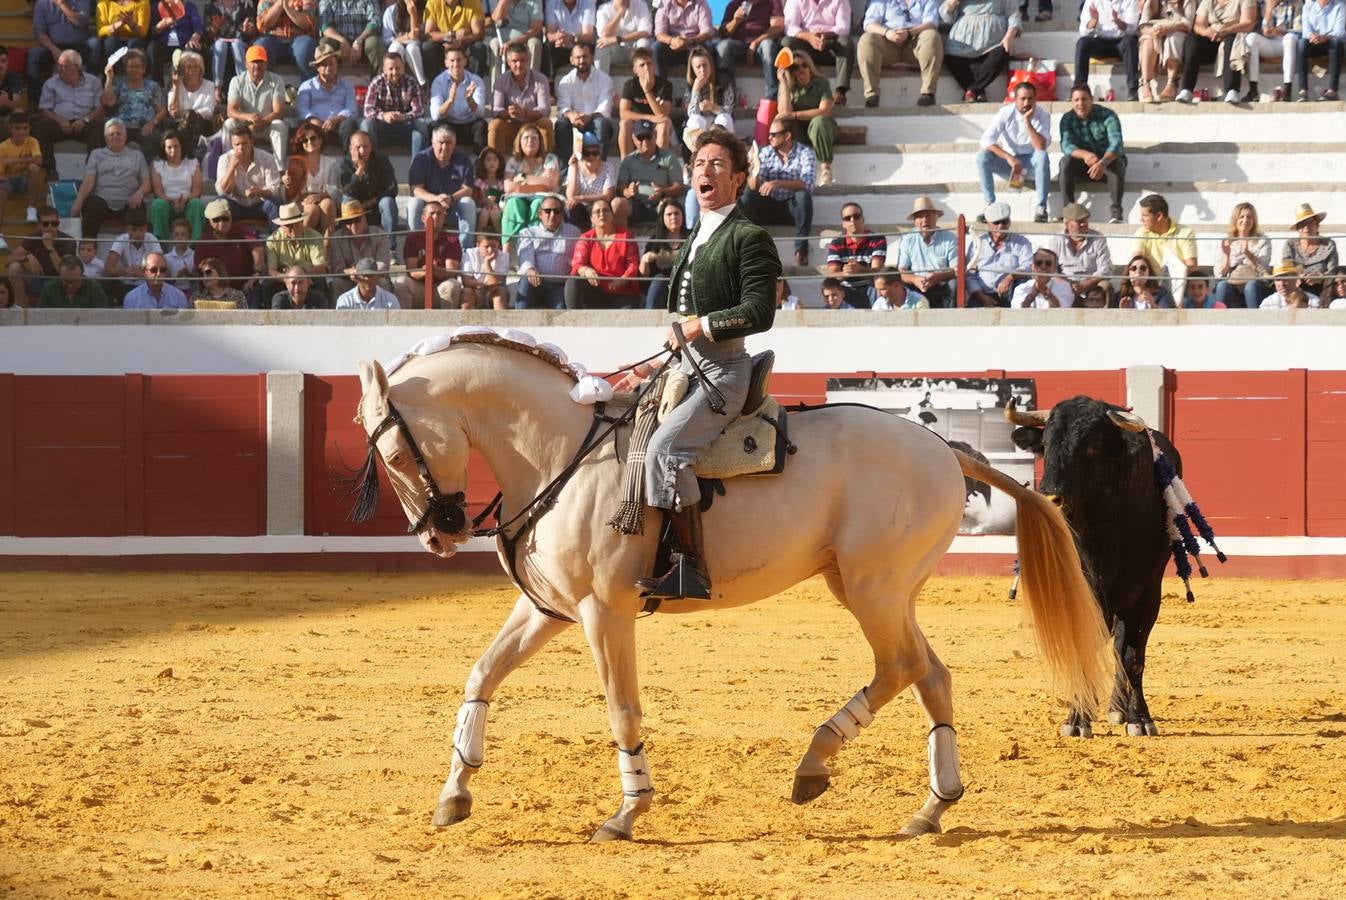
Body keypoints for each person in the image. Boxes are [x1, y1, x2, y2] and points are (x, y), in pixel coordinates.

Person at [615, 127, 782, 600]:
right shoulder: (700, 233)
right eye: (698, 164)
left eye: (716, 164)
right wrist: (650, 368)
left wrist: (697, 326)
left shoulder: (748, 236)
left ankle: (691, 569)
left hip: (723, 374)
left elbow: (759, 312)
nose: (703, 171)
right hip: (684, 369)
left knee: (667, 451)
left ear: (739, 179)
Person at [976, 80, 1051, 223]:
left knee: (1042, 156)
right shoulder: (1006, 112)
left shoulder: (1043, 115)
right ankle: (989, 205)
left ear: (1035, 99)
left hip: (1030, 164)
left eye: (1030, 99)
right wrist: (1009, 158)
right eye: (1022, 99)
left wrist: (1027, 122)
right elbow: (986, 140)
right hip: (1011, 166)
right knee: (982, 157)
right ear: (1015, 99)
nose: (1026, 103)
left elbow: (1041, 146)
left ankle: (1041, 207)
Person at [71, 117, 152, 240]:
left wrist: (139, 194)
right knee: (91, 205)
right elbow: (89, 181)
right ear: (105, 138)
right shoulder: (96, 154)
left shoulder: (137, 155)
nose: (115, 137)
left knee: (139, 209)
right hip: (102, 202)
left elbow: (146, 183)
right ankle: (88, 249)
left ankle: (141, 254)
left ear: (125, 137)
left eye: (119, 133)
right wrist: (78, 203)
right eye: (111, 134)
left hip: (129, 202)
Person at [1058, 84, 1128, 224]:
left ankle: (1116, 213)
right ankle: (1068, 211)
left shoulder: (1107, 115)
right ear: (1072, 102)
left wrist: (1102, 163)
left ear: (1091, 99)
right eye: (1076, 100)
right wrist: (1085, 155)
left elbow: (1117, 144)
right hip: (1083, 165)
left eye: (1084, 99)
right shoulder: (1067, 118)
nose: (1080, 104)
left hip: (1106, 164)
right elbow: (1066, 145)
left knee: (1118, 163)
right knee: (1065, 162)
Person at [34, 50, 108, 175]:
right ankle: (49, 168)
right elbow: (44, 109)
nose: (60, 69)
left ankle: (93, 169)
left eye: (65, 66)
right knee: (40, 127)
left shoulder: (93, 82)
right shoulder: (51, 83)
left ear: (77, 67)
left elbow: (100, 109)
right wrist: (60, 120)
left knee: (99, 126)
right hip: (60, 123)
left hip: (85, 123)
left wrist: (85, 120)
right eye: (59, 65)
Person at [858, 0, 944, 107]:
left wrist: (909, 32)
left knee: (932, 35)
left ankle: (928, 93)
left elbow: (931, 23)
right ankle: (871, 95)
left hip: (915, 43)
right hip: (888, 43)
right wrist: (887, 32)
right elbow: (869, 23)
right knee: (866, 39)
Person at [1174, 0, 1258, 103]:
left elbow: (1249, 23)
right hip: (1213, 38)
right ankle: (1186, 89)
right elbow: (1198, 24)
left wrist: (1227, 30)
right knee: (1193, 40)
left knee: (1233, 39)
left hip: (1233, 35)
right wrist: (1207, 32)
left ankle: (1232, 90)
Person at [776, 49, 839, 186]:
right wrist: (784, 84)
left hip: (823, 128)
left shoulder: (821, 83)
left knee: (819, 122)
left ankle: (826, 169)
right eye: (795, 67)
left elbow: (825, 111)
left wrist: (796, 115)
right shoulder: (790, 86)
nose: (801, 69)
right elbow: (784, 114)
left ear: (810, 67)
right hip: (800, 130)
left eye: (804, 65)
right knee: (785, 125)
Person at [941, 0, 1021, 102]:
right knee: (950, 57)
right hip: (963, 43)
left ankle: (972, 90)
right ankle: (978, 91)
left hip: (993, 42)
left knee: (1002, 52)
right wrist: (954, 2)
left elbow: (1014, 15)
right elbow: (946, 17)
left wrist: (1009, 37)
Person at [565, 198, 640, 307]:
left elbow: (633, 265)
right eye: (597, 211)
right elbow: (577, 264)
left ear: (612, 215)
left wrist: (622, 280)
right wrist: (586, 270)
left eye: (606, 210)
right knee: (572, 281)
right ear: (591, 218)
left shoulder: (626, 236)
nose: (602, 214)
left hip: (623, 292)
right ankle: (573, 319)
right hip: (596, 291)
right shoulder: (586, 238)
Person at [410, 124, 478, 243]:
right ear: (432, 142)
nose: (445, 147)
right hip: (428, 208)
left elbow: (468, 189)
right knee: (414, 203)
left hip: (452, 208)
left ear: (455, 143)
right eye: (441, 142)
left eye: (449, 143)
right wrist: (437, 198)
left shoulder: (463, 159)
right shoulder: (421, 158)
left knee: (468, 203)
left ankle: (466, 251)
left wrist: (451, 198)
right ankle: (416, 247)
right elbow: (415, 190)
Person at [614, 119, 687, 228]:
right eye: (640, 137)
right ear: (634, 139)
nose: (645, 141)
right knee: (617, 203)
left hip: (661, 203)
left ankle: (670, 243)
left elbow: (679, 187)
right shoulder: (628, 160)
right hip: (636, 205)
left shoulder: (669, 157)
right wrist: (628, 191)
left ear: (655, 135)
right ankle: (623, 243)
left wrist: (664, 192)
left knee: (669, 206)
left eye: (648, 136)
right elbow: (620, 188)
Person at [224, 44, 288, 165]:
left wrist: (263, 121)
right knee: (229, 124)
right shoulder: (237, 81)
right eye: (253, 62)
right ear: (246, 64)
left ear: (266, 64)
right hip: (244, 128)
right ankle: (229, 164)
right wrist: (249, 118)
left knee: (279, 126)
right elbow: (230, 111)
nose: (257, 65)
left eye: (260, 62)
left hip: (267, 126)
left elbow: (278, 111)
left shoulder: (276, 80)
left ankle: (280, 170)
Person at [782, 0, 854, 104]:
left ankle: (840, 92)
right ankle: (794, 90)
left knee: (846, 43)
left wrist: (825, 35)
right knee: (787, 43)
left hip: (830, 45)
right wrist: (809, 37)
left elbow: (843, 27)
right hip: (806, 46)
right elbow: (790, 27)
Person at [489, 42, 554, 156]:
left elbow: (545, 110)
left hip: (533, 126)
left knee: (546, 123)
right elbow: (496, 110)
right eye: (514, 61)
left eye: (522, 60)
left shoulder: (540, 79)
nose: (519, 65)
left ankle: (547, 164)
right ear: (508, 62)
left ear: (528, 60)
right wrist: (509, 113)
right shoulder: (501, 80)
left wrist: (524, 113)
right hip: (511, 125)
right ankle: (497, 166)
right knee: (495, 125)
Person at [515, 195, 581, 308]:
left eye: (556, 211)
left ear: (562, 214)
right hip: (534, 283)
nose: (552, 215)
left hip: (559, 285)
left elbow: (578, 257)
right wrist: (530, 269)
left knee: (561, 309)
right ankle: (520, 321)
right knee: (526, 278)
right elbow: (525, 256)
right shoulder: (527, 233)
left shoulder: (574, 232)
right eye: (547, 211)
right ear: (540, 214)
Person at [555, 41, 615, 163]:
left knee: (601, 123)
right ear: (571, 60)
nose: (582, 60)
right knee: (561, 124)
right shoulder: (565, 81)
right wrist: (571, 115)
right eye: (578, 57)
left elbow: (605, 109)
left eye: (585, 56)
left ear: (592, 58)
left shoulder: (604, 79)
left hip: (595, 121)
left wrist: (589, 117)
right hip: (574, 122)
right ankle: (566, 171)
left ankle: (600, 168)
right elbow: (563, 108)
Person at [396, 199, 464, 307]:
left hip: (441, 287)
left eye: (439, 214)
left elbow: (452, 271)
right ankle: (404, 322)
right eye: (432, 213)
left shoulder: (452, 239)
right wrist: (427, 271)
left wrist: (435, 270)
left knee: (453, 285)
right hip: (419, 288)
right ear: (423, 218)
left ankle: (449, 323)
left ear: (444, 218)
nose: (436, 217)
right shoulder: (413, 238)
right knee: (401, 283)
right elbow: (411, 271)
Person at [101, 47, 166, 160]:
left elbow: (162, 111)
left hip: (146, 126)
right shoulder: (119, 83)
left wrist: (152, 123)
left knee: (156, 138)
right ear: (125, 68)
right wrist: (109, 79)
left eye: (137, 67)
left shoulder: (153, 86)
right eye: (131, 66)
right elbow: (108, 102)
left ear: (144, 69)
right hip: (123, 127)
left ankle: (145, 171)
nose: (134, 70)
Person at [501, 122, 561, 242]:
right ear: (519, 141)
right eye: (526, 138)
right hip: (518, 198)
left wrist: (524, 178)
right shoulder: (513, 161)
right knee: (513, 204)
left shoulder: (549, 159)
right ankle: (509, 249)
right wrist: (541, 183)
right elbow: (509, 187)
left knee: (538, 204)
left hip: (542, 198)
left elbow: (551, 184)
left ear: (540, 141)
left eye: (534, 138)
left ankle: (536, 245)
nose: (530, 141)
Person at [965, 201, 1033, 307]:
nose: (1001, 226)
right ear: (988, 223)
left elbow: (1028, 266)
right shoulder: (977, 244)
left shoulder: (1022, 242)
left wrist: (1011, 277)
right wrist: (982, 297)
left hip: (1010, 293)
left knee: (1022, 283)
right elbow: (970, 275)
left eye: (1004, 222)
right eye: (996, 223)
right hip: (982, 294)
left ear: (1009, 222)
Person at [1133, 192, 1197, 302]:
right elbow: (1136, 262)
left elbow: (1192, 268)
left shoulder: (1186, 233)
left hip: (1178, 289)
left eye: (1145, 215)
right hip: (1151, 288)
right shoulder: (1141, 232)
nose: (1141, 219)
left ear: (1159, 216)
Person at [6, 208, 77, 308]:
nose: (50, 227)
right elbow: (8, 261)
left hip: (60, 282)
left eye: (54, 223)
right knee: (14, 267)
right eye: (45, 224)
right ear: (39, 225)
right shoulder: (33, 237)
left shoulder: (68, 240)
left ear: (58, 223)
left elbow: (64, 271)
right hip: (38, 279)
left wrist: (50, 248)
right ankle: (22, 309)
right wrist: (27, 257)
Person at [895, 195, 958, 308]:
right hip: (916, 285)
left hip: (941, 285)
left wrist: (938, 277)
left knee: (954, 284)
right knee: (899, 284)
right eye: (919, 217)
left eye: (928, 215)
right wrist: (915, 279)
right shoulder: (907, 239)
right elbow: (902, 270)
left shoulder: (949, 238)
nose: (924, 220)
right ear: (915, 221)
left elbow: (957, 269)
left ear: (936, 218)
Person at [201, 197, 266, 305]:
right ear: (210, 222)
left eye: (225, 218)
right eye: (216, 220)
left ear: (231, 217)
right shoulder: (204, 241)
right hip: (215, 288)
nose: (222, 223)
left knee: (256, 288)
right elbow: (201, 270)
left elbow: (257, 248)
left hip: (244, 287)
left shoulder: (242, 231)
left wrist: (256, 274)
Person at [360, 51, 426, 156]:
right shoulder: (377, 82)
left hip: (405, 125)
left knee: (421, 125)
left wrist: (404, 117)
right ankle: (373, 162)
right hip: (383, 126)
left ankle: (417, 167)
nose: (395, 72)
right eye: (391, 69)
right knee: (366, 124)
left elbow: (419, 110)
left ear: (403, 68)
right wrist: (383, 115)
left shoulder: (412, 83)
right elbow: (368, 110)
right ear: (384, 70)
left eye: (397, 68)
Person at [296, 43, 361, 149]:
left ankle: (349, 161)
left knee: (349, 125)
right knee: (307, 129)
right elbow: (302, 109)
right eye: (324, 64)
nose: (329, 67)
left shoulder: (347, 86)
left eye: (332, 63)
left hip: (340, 127)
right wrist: (312, 119)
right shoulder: (307, 86)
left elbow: (352, 110)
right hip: (316, 128)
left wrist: (337, 119)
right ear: (317, 68)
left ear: (336, 64)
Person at [717, 0, 785, 100]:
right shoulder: (734, 4)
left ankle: (772, 97)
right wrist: (735, 21)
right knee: (723, 46)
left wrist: (756, 42)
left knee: (768, 45)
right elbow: (723, 34)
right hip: (739, 47)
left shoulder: (772, 2)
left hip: (761, 46)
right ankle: (727, 96)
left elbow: (777, 27)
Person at [1046, 202, 1113, 302]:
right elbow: (1051, 269)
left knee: (1105, 286)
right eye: (1079, 221)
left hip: (1092, 285)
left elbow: (1105, 269)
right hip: (1065, 284)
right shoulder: (1056, 240)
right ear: (1066, 223)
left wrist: (1085, 284)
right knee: (1052, 286)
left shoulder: (1098, 238)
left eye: (1086, 220)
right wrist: (1068, 283)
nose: (1084, 224)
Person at [31, 0, 102, 94]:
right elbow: (39, 33)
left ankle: (91, 87)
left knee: (95, 44)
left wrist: (62, 4)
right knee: (35, 54)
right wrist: (53, 49)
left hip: (80, 43)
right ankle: (36, 98)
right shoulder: (41, 3)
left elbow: (81, 22)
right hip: (55, 45)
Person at [339, 129, 399, 239]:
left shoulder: (381, 159)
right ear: (351, 149)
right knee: (346, 201)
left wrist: (370, 203)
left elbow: (392, 189)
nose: (362, 151)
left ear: (371, 147)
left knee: (388, 202)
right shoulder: (345, 164)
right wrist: (360, 169)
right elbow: (347, 192)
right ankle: (352, 244)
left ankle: (391, 249)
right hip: (355, 210)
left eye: (365, 147)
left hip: (376, 207)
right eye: (358, 147)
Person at [1076, 0, 1141, 101]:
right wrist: (1093, 21)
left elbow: (1133, 29)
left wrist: (1118, 21)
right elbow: (1083, 30)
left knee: (1130, 43)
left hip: (1122, 41)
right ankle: (1079, 90)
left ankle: (1133, 91)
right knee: (1082, 43)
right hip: (1101, 42)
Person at [284, 119, 341, 233]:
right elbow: (291, 195)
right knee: (312, 209)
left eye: (313, 138)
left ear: (320, 140)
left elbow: (334, 190)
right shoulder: (296, 162)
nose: (309, 142)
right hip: (301, 201)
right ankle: (302, 246)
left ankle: (327, 245)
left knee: (328, 204)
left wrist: (318, 197)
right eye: (305, 140)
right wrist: (287, 183)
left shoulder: (332, 163)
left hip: (324, 198)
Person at [327, 198, 392, 299]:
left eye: (357, 220)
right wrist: (351, 273)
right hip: (349, 281)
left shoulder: (380, 235)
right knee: (337, 283)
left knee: (383, 283)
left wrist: (365, 276)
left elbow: (383, 267)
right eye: (348, 222)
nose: (353, 226)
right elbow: (337, 268)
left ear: (364, 218)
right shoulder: (337, 238)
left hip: (374, 280)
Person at [264, 200, 327, 302]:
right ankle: (270, 316)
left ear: (302, 222)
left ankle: (324, 313)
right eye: (289, 225)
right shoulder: (273, 240)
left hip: (308, 278)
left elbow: (320, 268)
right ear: (282, 226)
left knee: (320, 280)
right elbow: (272, 271)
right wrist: (289, 278)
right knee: (267, 285)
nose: (294, 228)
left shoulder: (315, 237)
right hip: (284, 280)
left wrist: (300, 275)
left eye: (296, 223)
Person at [825, 202, 886, 309]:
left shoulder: (877, 239)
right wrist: (846, 272)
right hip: (845, 288)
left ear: (863, 219)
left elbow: (877, 270)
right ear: (843, 223)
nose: (852, 220)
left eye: (856, 216)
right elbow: (832, 274)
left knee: (878, 285)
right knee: (835, 291)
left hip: (869, 287)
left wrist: (859, 269)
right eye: (848, 218)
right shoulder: (836, 243)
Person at [215, 125, 281, 221]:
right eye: (237, 145)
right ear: (232, 145)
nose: (241, 148)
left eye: (244, 144)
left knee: (276, 202)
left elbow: (275, 190)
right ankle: (223, 236)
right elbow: (221, 192)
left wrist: (259, 192)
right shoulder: (225, 159)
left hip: (260, 205)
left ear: (252, 142)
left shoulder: (266, 158)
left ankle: (276, 235)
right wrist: (232, 167)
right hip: (236, 205)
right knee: (218, 204)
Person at [618, 45, 674, 156]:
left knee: (664, 123)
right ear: (635, 70)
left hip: (656, 125)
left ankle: (660, 168)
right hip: (637, 124)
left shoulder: (665, 85)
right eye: (642, 65)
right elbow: (623, 113)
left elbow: (663, 115)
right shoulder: (630, 85)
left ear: (654, 65)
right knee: (624, 124)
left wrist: (647, 91)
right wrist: (649, 117)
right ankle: (626, 165)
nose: (646, 68)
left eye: (649, 63)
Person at [429, 46, 488, 151]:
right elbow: (435, 115)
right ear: (446, 63)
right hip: (449, 124)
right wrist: (450, 100)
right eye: (452, 61)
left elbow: (480, 113)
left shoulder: (476, 81)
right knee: (434, 127)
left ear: (465, 61)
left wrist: (470, 100)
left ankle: (480, 163)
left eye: (459, 60)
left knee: (482, 126)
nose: (456, 64)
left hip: (469, 125)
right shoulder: (438, 82)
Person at [149, 130, 206, 239]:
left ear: (182, 147)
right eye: (169, 147)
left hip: (187, 202)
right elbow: (158, 193)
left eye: (176, 147)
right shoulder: (157, 165)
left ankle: (194, 245)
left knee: (197, 204)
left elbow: (197, 191)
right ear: (164, 149)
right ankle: (162, 244)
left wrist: (185, 199)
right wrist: (173, 201)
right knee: (158, 204)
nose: (173, 151)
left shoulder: (192, 163)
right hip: (167, 203)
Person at [1213, 200, 1270, 308]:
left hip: (1255, 283)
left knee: (1251, 287)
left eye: (1249, 217)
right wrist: (1226, 255)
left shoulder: (1262, 240)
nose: (1245, 220)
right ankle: (1218, 321)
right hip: (1233, 283)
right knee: (1222, 286)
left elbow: (1265, 273)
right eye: (1241, 217)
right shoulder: (1227, 241)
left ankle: (1256, 322)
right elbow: (1219, 275)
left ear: (1254, 220)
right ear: (1235, 220)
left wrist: (1248, 254)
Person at [681, 46, 735, 153]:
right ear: (693, 69)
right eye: (698, 67)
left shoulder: (724, 80)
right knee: (695, 120)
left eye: (705, 65)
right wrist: (695, 90)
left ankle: (721, 152)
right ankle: (698, 153)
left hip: (719, 123)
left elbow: (730, 109)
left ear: (710, 64)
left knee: (724, 118)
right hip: (701, 125)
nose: (702, 70)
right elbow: (691, 114)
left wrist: (713, 107)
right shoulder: (691, 84)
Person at [1139, 0, 1196, 101]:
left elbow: (1188, 25)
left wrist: (1169, 28)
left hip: (1177, 31)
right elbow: (1142, 25)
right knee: (1147, 40)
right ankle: (1145, 83)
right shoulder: (1153, 2)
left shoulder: (1188, 1)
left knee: (1173, 38)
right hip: (1156, 32)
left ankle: (1172, 83)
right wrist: (1152, 32)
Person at [166, 50, 220, 153]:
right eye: (188, 67)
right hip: (180, 126)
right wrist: (176, 87)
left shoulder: (209, 85)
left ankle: (186, 152)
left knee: (189, 116)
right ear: (182, 69)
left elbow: (209, 110)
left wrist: (189, 114)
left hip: (202, 126)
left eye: (195, 67)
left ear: (201, 69)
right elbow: (174, 113)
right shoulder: (177, 85)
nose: (191, 70)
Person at [640, 198, 690, 308]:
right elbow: (644, 276)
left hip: (686, 285)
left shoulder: (692, 237)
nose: (673, 217)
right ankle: (650, 319)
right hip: (661, 288)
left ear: (683, 215)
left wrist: (661, 257)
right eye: (669, 214)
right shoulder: (655, 240)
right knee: (659, 278)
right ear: (662, 218)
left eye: (676, 213)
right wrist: (644, 261)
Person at [422, 0, 487, 83]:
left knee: (479, 47)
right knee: (427, 47)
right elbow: (429, 34)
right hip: (443, 44)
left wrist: (461, 40)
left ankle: (474, 86)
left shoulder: (473, 2)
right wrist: (452, 34)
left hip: (464, 44)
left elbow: (478, 34)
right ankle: (435, 86)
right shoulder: (433, 2)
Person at [1244, 0, 1297, 100]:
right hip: (1269, 43)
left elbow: (1299, 32)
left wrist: (1279, 32)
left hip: (1286, 42)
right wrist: (1269, 9)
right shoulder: (1263, 3)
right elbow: (1264, 29)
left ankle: (1287, 91)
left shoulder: (1295, 3)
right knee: (1251, 38)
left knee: (1290, 38)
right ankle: (1253, 90)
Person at [1282, 201, 1338, 295]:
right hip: (1295, 288)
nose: (1306, 227)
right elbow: (1286, 266)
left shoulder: (1329, 245)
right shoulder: (1290, 244)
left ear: (1317, 225)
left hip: (1321, 289)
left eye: (1310, 223)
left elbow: (1333, 271)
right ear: (1298, 229)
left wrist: (1319, 278)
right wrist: (1298, 275)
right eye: (1302, 224)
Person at [253, 0, 320, 80]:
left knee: (307, 45)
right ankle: (263, 88)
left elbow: (309, 24)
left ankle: (310, 89)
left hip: (299, 40)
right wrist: (280, 4)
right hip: (273, 40)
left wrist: (287, 8)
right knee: (260, 46)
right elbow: (262, 25)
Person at [0, 114, 46, 226]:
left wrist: (13, 160)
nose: (22, 132)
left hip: (25, 179)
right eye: (17, 128)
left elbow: (39, 160)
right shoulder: (3, 147)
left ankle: (32, 208)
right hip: (7, 180)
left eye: (25, 128)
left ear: (30, 128)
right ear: (10, 128)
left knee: (34, 168)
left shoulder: (32, 141)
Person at [566, 131, 617, 230]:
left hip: (599, 206)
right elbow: (571, 196)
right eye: (587, 153)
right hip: (581, 208)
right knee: (571, 206)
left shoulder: (607, 168)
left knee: (599, 207)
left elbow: (607, 196)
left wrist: (581, 198)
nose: (591, 157)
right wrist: (575, 168)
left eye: (595, 153)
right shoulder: (574, 167)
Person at [1296, 0, 1346, 100]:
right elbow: (1306, 31)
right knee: (1302, 43)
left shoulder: (1340, 6)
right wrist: (1313, 36)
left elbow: (1340, 32)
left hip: (1331, 41)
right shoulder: (1308, 5)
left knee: (1336, 43)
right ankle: (1303, 91)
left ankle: (1332, 91)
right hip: (1314, 42)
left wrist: (1325, 37)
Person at [203, 0, 257, 90]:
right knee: (220, 44)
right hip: (217, 45)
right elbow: (208, 34)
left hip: (240, 44)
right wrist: (215, 28)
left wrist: (247, 29)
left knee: (237, 45)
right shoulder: (211, 5)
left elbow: (253, 30)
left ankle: (244, 87)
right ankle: (217, 88)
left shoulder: (246, 3)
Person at [654, 0, 718, 77]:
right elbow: (659, 33)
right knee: (656, 48)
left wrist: (689, 41)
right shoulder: (665, 3)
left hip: (693, 45)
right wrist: (673, 40)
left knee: (707, 48)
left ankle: (698, 87)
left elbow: (707, 32)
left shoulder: (701, 3)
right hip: (672, 46)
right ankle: (661, 86)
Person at [148, 0, 206, 82]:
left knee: (193, 49)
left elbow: (198, 29)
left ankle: (189, 85)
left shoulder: (189, 6)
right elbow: (152, 32)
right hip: (164, 46)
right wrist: (163, 25)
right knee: (152, 48)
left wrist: (193, 39)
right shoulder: (157, 6)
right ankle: (157, 86)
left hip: (184, 45)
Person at [319, 0, 384, 73]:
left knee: (374, 42)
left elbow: (375, 23)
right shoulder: (327, 1)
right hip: (338, 44)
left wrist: (359, 40)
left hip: (362, 42)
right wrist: (342, 40)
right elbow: (325, 27)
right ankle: (327, 79)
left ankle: (379, 79)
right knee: (325, 42)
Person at [595, 0, 654, 73]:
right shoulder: (604, 9)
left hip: (634, 49)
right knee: (601, 46)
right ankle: (601, 81)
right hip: (615, 51)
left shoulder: (641, 5)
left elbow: (645, 32)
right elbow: (603, 34)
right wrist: (620, 12)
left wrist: (619, 39)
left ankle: (643, 79)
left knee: (643, 42)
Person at [488, 0, 545, 73]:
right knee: (494, 43)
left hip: (525, 38)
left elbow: (536, 29)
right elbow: (496, 20)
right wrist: (504, 2)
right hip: (503, 38)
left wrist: (514, 42)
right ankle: (496, 83)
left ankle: (531, 80)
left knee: (534, 43)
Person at [544, 0, 598, 75]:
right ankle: (551, 82)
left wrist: (572, 38)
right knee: (548, 48)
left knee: (586, 49)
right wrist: (558, 37)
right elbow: (550, 34)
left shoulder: (588, 3)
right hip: (561, 45)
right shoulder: (551, 3)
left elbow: (588, 35)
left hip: (581, 44)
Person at [460, 230, 511, 308]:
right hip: (476, 292)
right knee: (467, 292)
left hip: (493, 293)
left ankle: (501, 320)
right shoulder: (470, 253)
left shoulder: (504, 256)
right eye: (486, 246)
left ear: (499, 245)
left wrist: (487, 263)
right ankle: (466, 320)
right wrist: (482, 285)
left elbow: (496, 282)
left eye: (494, 246)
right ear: (478, 245)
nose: (490, 250)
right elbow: (466, 280)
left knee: (501, 292)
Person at [124, 250, 193, 308]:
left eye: (163, 270)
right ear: (144, 272)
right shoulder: (132, 298)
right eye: (153, 270)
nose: (158, 273)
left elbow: (183, 323)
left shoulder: (179, 296)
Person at [39, 254, 114, 308]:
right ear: (60, 276)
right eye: (66, 281)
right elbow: (41, 316)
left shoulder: (94, 288)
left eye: (75, 281)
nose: (70, 285)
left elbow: (102, 316)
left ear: (82, 276)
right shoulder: (49, 289)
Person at [1010, 247, 1075, 307]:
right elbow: (1017, 312)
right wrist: (1032, 295)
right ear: (1032, 267)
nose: (1043, 266)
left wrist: (1045, 291)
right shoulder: (1021, 288)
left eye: (1048, 263)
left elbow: (1063, 311)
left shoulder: (1064, 287)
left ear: (1054, 268)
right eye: (1038, 263)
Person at [383, 0, 428, 86]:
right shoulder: (391, 11)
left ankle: (422, 83)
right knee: (396, 48)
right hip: (397, 43)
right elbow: (386, 39)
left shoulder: (425, 10)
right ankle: (394, 82)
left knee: (411, 49)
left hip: (416, 46)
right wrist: (407, 37)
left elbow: (417, 35)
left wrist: (413, 13)